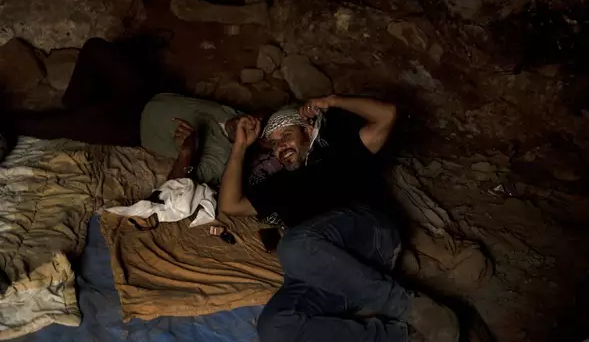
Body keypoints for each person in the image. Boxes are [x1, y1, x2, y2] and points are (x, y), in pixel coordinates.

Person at [218, 95, 460, 342]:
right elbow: (230, 205)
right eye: (275, 143)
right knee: (274, 328)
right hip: (327, 272)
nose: (281, 146)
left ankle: (412, 308)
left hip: (368, 233)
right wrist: (240, 146)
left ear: (308, 131)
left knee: (292, 246)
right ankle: (403, 336)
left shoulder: (337, 153)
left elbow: (387, 115)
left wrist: (333, 101)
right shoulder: (279, 185)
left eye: (287, 135)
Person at [3, 37, 253, 185]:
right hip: (147, 94)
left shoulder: (222, 162)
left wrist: (187, 151)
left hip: (132, 126)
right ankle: (77, 106)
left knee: (51, 125)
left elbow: (177, 185)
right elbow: (260, 118)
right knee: (96, 48)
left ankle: (10, 121)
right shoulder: (243, 117)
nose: (250, 123)